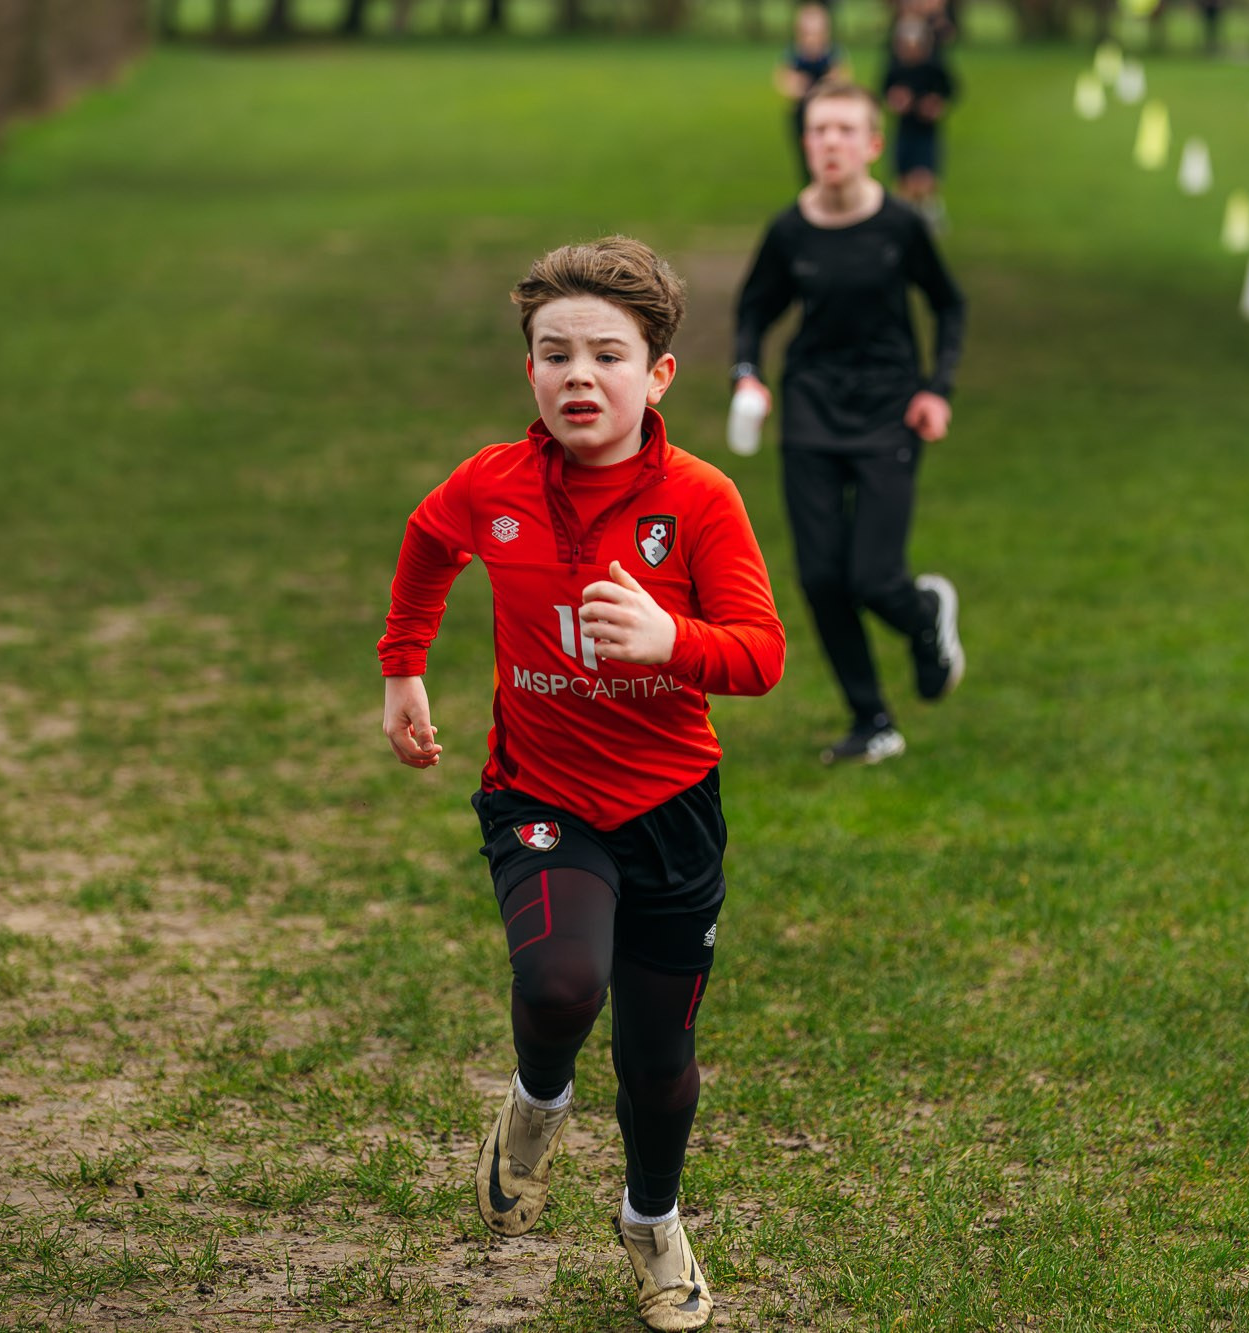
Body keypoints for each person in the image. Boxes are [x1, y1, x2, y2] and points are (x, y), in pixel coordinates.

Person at [378, 237, 785, 1332]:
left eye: (606, 354)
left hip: (671, 811)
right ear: (528, 374)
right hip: (539, 793)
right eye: (553, 353)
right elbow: (426, 545)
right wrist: (404, 667)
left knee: (657, 1065)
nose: (577, 375)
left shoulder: (699, 500)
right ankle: (535, 1100)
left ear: (655, 374)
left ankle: (652, 1222)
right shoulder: (490, 482)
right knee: (560, 984)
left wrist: (669, 639)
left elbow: (758, 654)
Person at [731, 81, 966, 767]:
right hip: (810, 411)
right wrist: (747, 372)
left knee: (872, 575)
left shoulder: (900, 225)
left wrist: (937, 390)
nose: (829, 142)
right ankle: (872, 719)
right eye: (817, 130)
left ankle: (923, 616)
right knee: (819, 576)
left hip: (890, 409)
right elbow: (753, 310)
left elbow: (950, 306)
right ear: (805, 143)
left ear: (872, 144)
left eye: (843, 130)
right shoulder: (788, 231)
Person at [881, 12, 957, 227]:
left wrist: (935, 104)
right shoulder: (895, 67)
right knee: (903, 180)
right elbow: (885, 91)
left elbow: (949, 91)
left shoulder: (934, 67)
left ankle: (929, 213)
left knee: (923, 177)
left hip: (926, 129)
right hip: (905, 128)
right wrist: (895, 100)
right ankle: (902, 218)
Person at [776, 2, 849, 183]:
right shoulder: (794, 54)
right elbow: (786, 82)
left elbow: (842, 79)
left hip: (829, 114)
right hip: (803, 114)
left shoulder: (832, 53)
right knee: (807, 161)